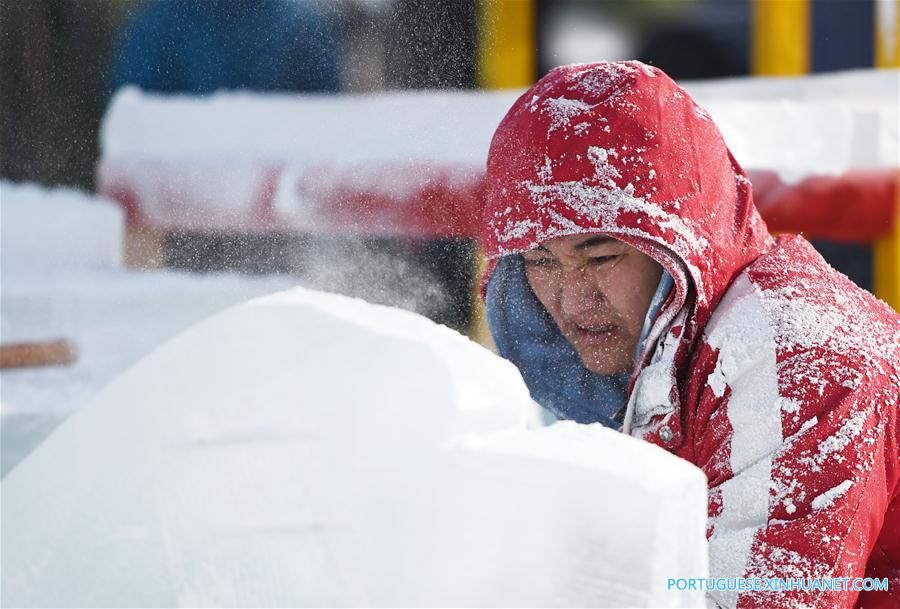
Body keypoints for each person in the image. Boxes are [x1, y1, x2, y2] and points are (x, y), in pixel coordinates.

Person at [481, 61, 898, 609]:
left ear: (679, 247)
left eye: (601, 257)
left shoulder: (799, 362)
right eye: (540, 263)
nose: (572, 300)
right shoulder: (646, 357)